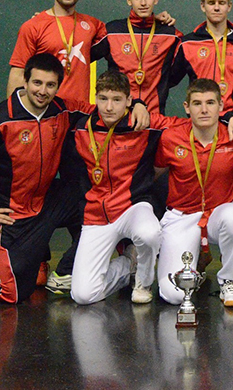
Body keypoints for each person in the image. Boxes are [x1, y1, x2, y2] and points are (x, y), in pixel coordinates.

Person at [0, 54, 143, 303]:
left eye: (50, 85)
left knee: (98, 198)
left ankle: (76, 266)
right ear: (26, 80)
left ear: (58, 86)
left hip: (47, 200)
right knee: (13, 293)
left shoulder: (62, 109)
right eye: (37, 83)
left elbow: (104, 109)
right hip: (12, 215)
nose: (42, 91)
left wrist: (137, 103)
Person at [66, 71, 172, 305]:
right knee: (83, 296)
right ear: (96, 98)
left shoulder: (144, 124)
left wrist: (230, 119)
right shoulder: (80, 127)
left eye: (116, 100)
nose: (109, 107)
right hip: (96, 214)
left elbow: (187, 125)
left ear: (128, 100)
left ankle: (143, 283)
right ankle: (127, 265)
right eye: (103, 98)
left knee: (149, 233)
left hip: (133, 206)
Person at [154, 78, 233, 308]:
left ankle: (230, 281)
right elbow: (154, 173)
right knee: (174, 295)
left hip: (218, 213)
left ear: (221, 107)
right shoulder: (171, 138)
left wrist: (232, 120)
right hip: (182, 216)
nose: (204, 109)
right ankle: (196, 262)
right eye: (197, 103)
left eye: (210, 102)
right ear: (186, 107)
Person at [8, 0, 105, 102]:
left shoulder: (92, 25)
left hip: (80, 116)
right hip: (46, 115)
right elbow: (18, 73)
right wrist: (15, 118)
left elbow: (119, 40)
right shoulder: (33, 26)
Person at [92, 0, 183, 114]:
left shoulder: (171, 35)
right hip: (118, 118)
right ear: (128, 0)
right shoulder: (111, 32)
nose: (143, 3)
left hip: (155, 119)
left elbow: (177, 74)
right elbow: (81, 56)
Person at [172, 0, 233, 124]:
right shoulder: (188, 44)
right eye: (211, 3)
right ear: (203, 6)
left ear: (229, 7)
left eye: (221, 3)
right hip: (199, 120)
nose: (216, 8)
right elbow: (168, 80)